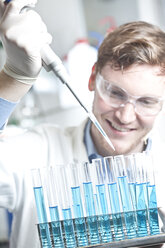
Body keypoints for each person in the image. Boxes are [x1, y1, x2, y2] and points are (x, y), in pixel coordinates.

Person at [0, 0, 165, 247]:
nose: (126, 116)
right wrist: (13, 79)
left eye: (147, 101)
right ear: (92, 78)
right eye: (115, 93)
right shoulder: (37, 152)